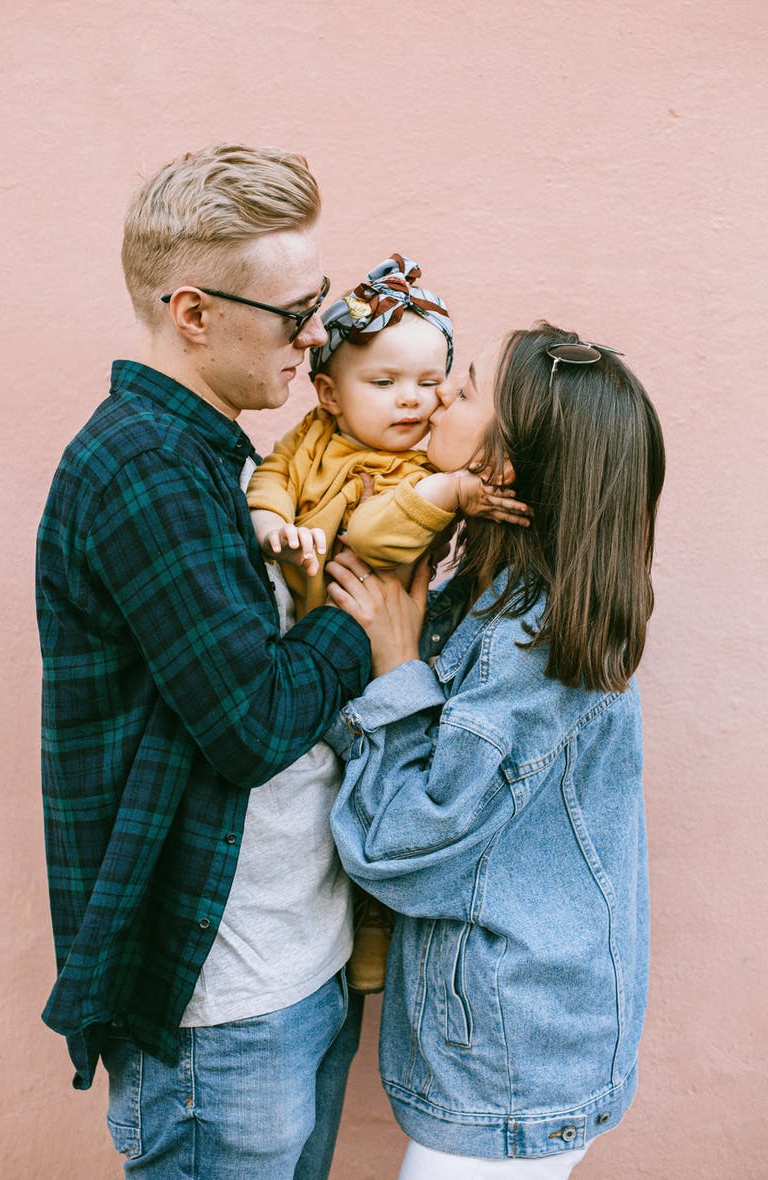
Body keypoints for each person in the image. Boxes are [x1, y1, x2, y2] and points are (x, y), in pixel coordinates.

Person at [36, 143, 377, 1179]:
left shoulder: (224, 456)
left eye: (320, 303)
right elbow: (254, 725)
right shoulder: (144, 468)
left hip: (297, 970)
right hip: (222, 1014)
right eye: (294, 313)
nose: (314, 336)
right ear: (193, 312)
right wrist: (365, 608)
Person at [322, 324, 665, 1178]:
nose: (439, 393)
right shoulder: (491, 597)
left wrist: (396, 666)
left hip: (512, 1060)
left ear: (503, 468)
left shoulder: (527, 646)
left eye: (467, 389)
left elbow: (404, 846)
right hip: (518, 1039)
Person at [246, 254, 531, 992]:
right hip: (304, 647)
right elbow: (272, 473)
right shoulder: (312, 436)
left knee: (369, 778)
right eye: (384, 383)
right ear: (328, 395)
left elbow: (373, 537)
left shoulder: (424, 475)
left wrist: (448, 492)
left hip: (366, 658)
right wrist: (270, 521)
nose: (416, 402)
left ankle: (372, 926)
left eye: (433, 382)